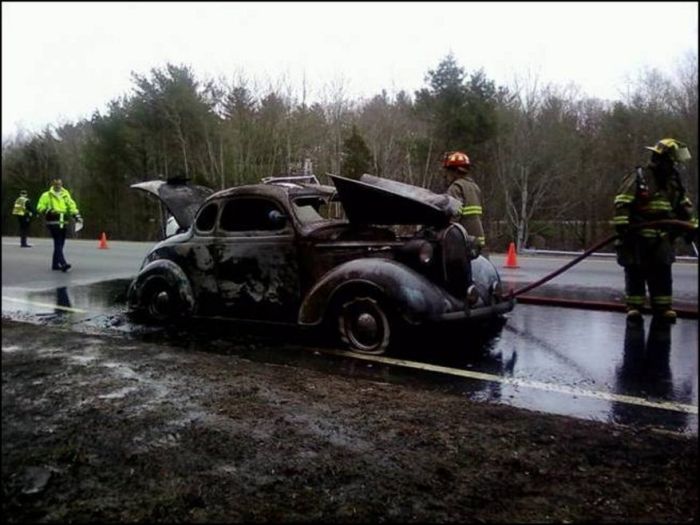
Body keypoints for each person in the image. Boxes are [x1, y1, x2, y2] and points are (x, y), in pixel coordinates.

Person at [613, 138, 698, 323]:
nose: (675, 166)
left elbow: (684, 204)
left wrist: (691, 226)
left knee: (662, 273)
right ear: (661, 159)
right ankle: (634, 307)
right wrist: (623, 224)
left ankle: (663, 308)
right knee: (635, 272)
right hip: (637, 236)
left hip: (662, 237)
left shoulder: (673, 181)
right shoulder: (640, 177)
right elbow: (622, 200)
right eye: (672, 162)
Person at [442, 151, 487, 255]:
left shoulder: (456, 187)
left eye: (448, 171)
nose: (447, 175)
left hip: (462, 239)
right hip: (478, 238)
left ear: (455, 171)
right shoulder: (475, 187)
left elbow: (454, 214)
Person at [36, 178, 82, 272]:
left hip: (63, 222)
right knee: (58, 242)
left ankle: (55, 264)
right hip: (53, 222)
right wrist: (48, 211)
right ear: (53, 185)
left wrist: (76, 215)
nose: (58, 186)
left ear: (61, 184)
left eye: (59, 184)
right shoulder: (46, 195)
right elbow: (40, 207)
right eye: (56, 184)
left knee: (61, 244)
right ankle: (63, 263)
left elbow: (71, 205)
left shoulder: (65, 194)